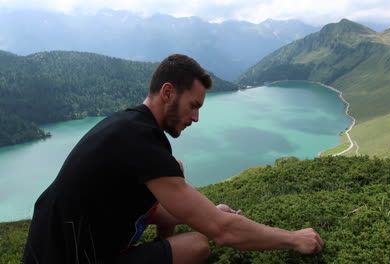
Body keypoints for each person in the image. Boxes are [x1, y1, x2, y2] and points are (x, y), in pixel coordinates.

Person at [22, 54, 323, 264]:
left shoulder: (129, 126)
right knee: (197, 245)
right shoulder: (139, 141)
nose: (196, 117)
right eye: (193, 105)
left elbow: (154, 209)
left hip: (52, 253)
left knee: (175, 172)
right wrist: (293, 238)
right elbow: (223, 231)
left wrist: (207, 211)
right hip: (76, 259)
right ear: (168, 92)